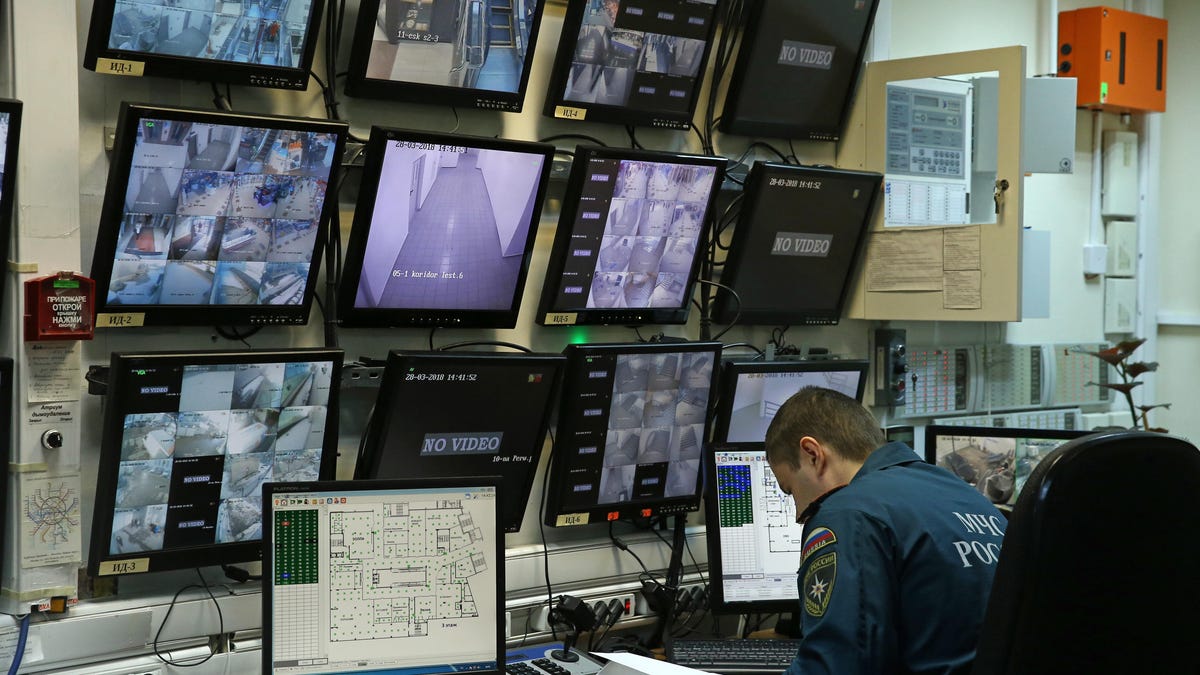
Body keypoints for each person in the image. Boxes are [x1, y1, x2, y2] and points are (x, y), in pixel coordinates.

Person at [765, 387, 1006, 675]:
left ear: (813, 454)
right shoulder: (964, 494)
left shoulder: (848, 512)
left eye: (790, 490)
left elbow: (838, 666)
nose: (796, 515)